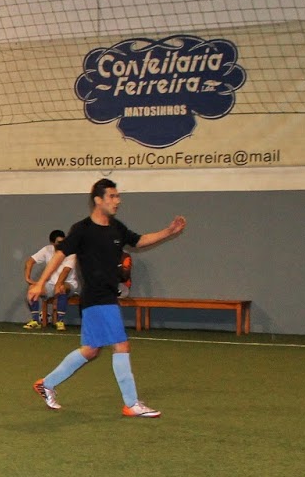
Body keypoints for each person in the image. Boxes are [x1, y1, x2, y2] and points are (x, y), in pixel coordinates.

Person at [28, 178, 185, 418]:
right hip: (97, 298)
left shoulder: (116, 227)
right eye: (112, 196)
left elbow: (139, 241)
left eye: (117, 196)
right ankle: (131, 404)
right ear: (98, 200)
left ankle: (46, 383)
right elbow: (60, 254)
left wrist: (169, 231)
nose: (117, 201)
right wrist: (41, 282)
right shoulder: (82, 229)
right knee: (121, 344)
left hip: (103, 299)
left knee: (91, 351)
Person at [22, 229, 77, 331]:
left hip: (68, 284)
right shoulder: (47, 250)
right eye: (58, 242)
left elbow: (65, 271)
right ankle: (35, 321)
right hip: (51, 285)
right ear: (52, 243)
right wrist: (27, 278)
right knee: (32, 289)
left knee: (61, 287)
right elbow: (29, 262)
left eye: (63, 241)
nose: (61, 244)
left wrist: (58, 286)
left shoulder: (71, 252)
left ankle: (60, 321)